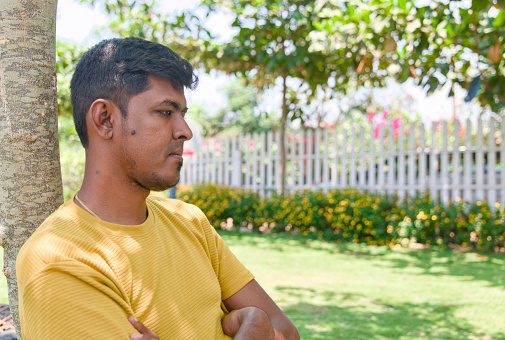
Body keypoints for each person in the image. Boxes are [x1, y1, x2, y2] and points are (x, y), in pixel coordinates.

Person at [16, 37, 299, 340]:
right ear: (105, 119)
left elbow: (284, 331)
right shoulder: (61, 260)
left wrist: (257, 323)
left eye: (183, 114)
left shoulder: (189, 221)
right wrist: (254, 328)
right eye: (166, 112)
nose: (185, 131)